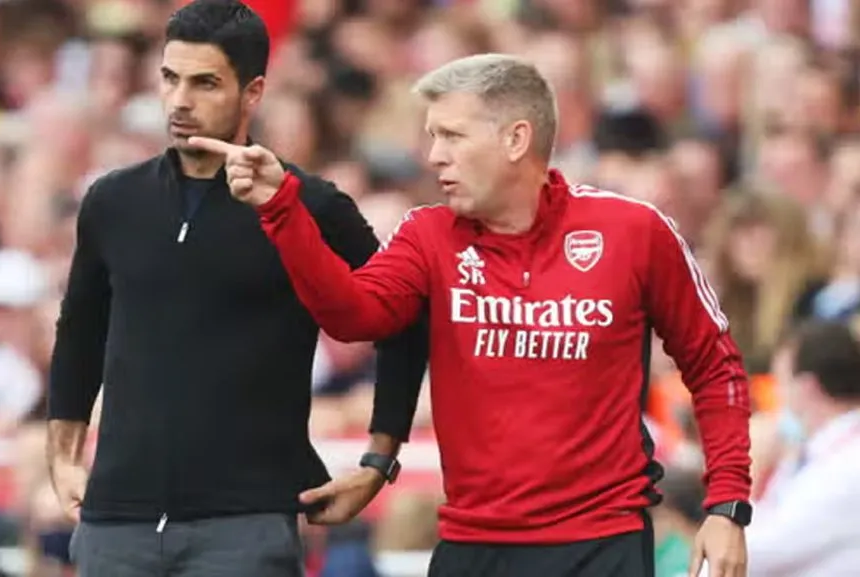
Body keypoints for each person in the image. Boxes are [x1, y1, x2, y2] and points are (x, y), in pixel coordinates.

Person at [189, 53, 753, 577]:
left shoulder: (633, 231)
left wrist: (727, 506)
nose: (433, 155)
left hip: (601, 544)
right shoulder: (428, 234)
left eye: (452, 136)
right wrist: (282, 211)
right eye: (432, 136)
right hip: (473, 543)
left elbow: (714, 364)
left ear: (516, 139)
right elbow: (355, 316)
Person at [46, 1, 428, 577]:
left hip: (244, 525)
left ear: (253, 93)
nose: (179, 101)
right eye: (170, 78)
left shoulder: (310, 205)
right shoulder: (112, 201)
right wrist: (63, 454)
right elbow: (79, 334)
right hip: (114, 522)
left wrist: (380, 458)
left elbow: (402, 315)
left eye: (205, 84)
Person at [748, 320, 860, 575]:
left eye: (780, 383)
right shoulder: (813, 452)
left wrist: (747, 471)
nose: (778, 396)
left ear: (807, 387)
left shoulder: (848, 465)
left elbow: (752, 553)